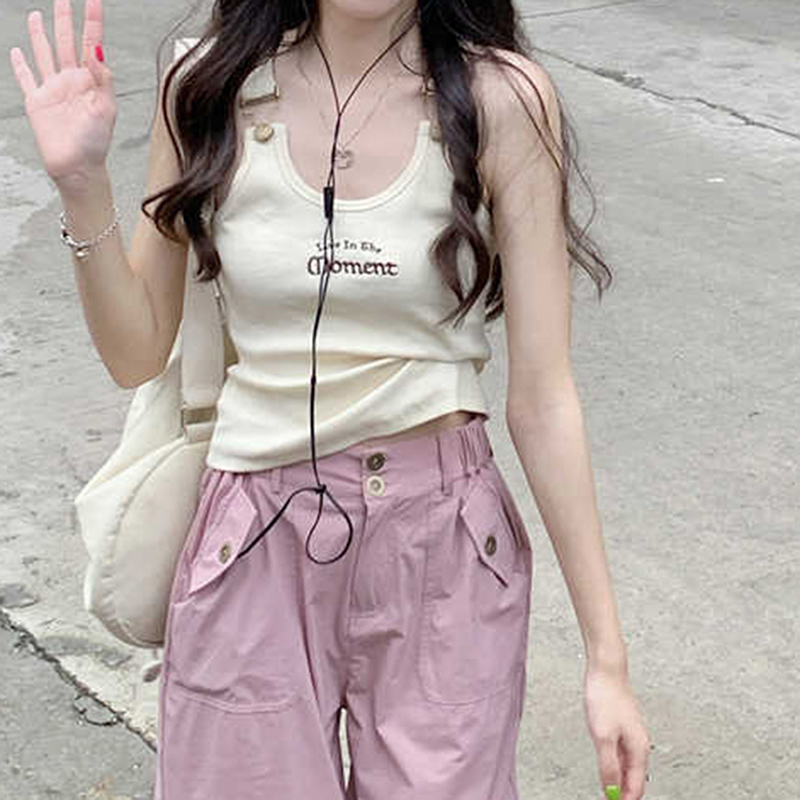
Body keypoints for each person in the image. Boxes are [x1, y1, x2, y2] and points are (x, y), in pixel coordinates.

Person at [9, 0, 652, 798]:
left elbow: (545, 401)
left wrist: (606, 661)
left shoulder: (501, 99)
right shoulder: (208, 85)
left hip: (442, 545)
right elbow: (136, 351)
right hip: (254, 535)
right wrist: (81, 185)